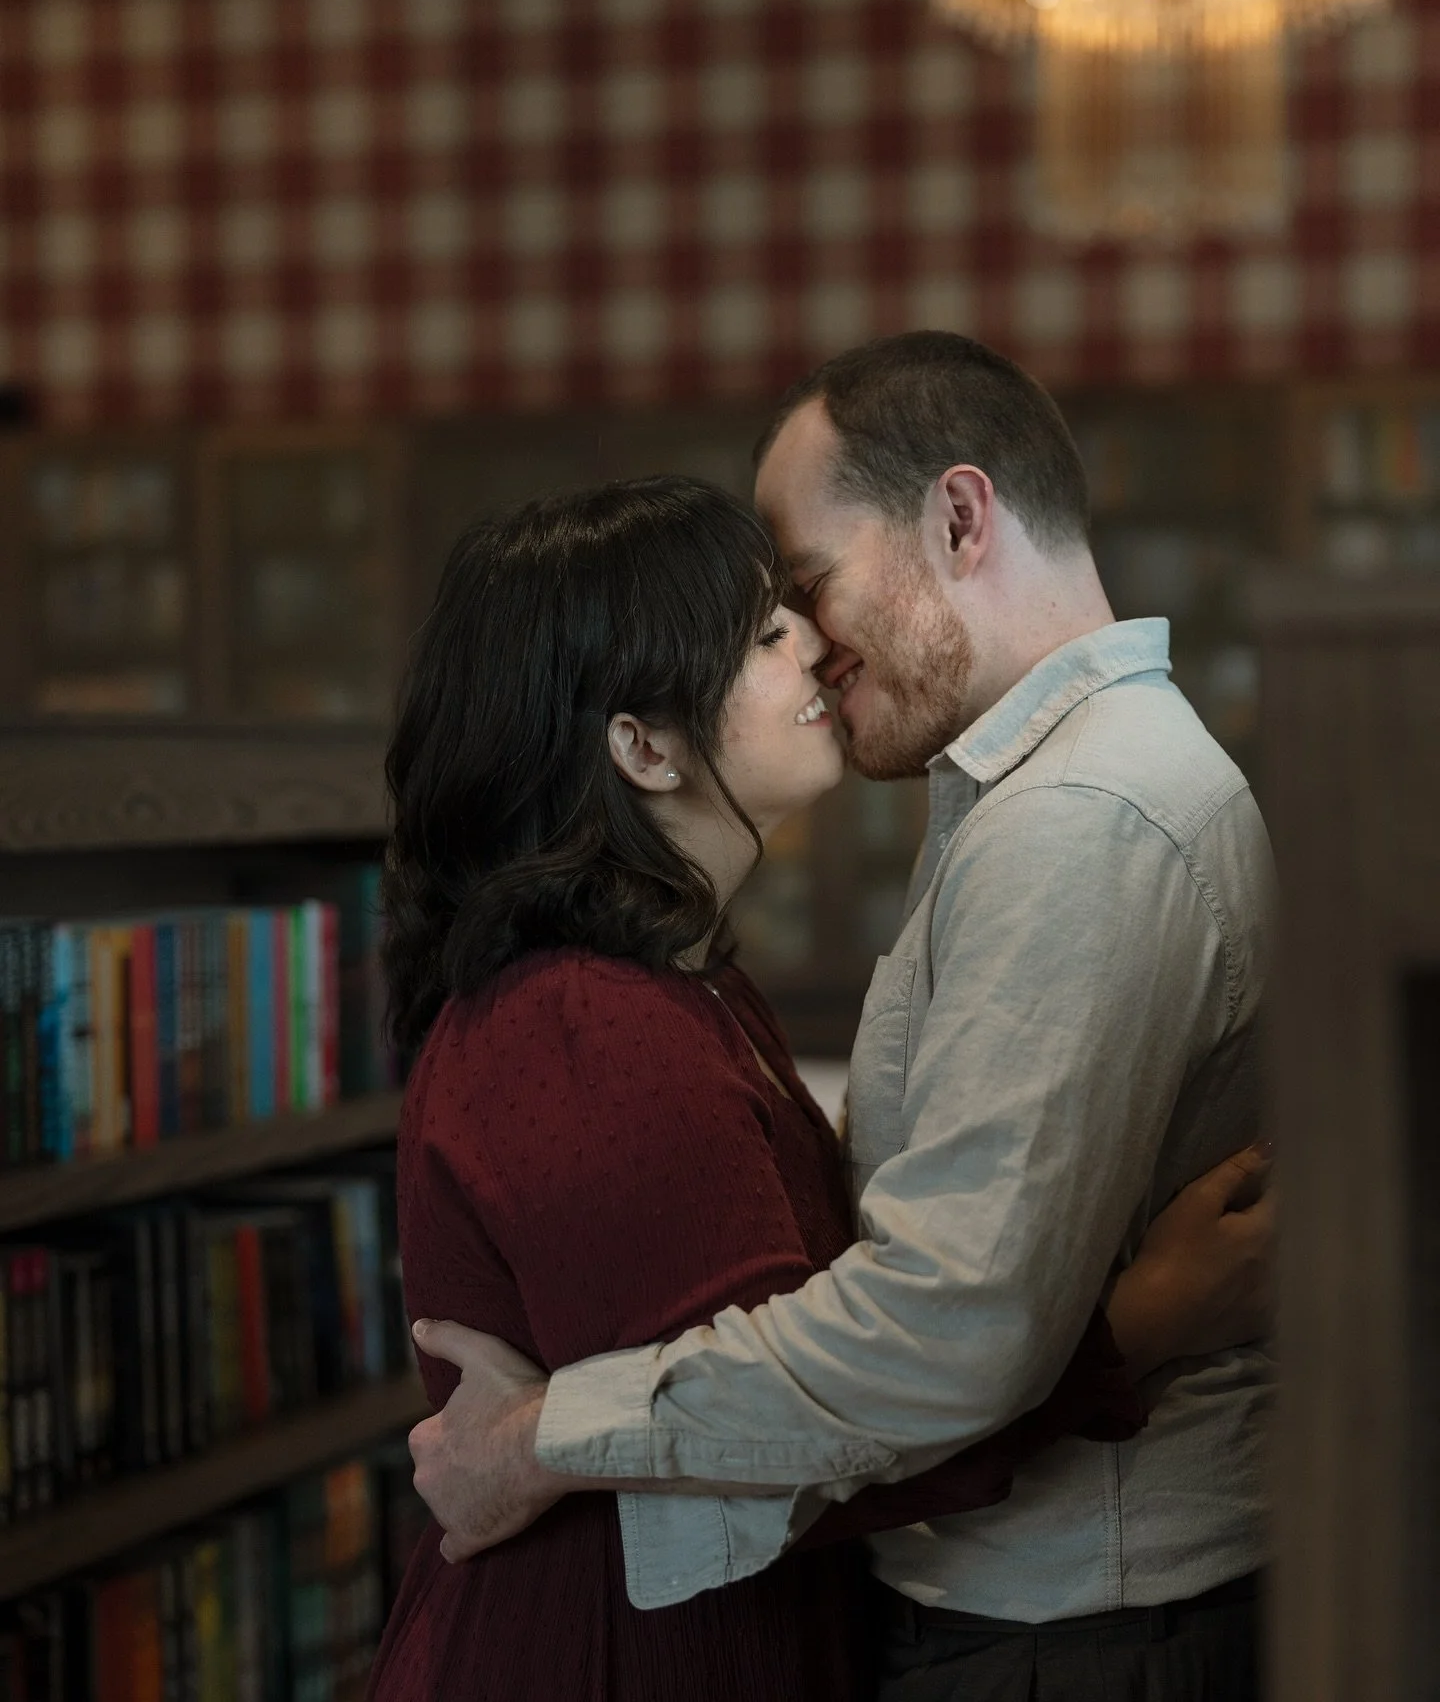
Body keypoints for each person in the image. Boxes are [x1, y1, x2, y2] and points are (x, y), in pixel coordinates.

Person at [404, 333, 1278, 1702]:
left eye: (804, 586)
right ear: (638, 744)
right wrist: (1133, 1317)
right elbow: (900, 1328)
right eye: (771, 624)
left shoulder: (1073, 819)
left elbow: (944, 1334)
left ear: (960, 517)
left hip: (1067, 1617)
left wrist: (537, 1437)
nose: (814, 644)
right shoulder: (622, 1001)